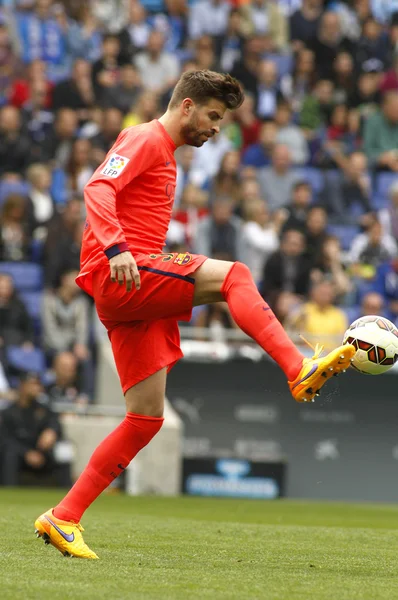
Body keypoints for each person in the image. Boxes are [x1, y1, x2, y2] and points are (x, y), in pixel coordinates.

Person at [34, 70, 355, 559]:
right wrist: (116, 247)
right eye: (212, 115)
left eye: (221, 120)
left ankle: (64, 517)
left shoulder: (166, 155)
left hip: (129, 286)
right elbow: (97, 189)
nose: (215, 128)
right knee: (235, 276)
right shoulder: (143, 138)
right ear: (186, 106)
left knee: (145, 419)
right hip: (122, 271)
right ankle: (297, 367)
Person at [0, 371, 71, 487]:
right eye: (33, 384)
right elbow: (5, 439)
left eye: (38, 384)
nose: (37, 388)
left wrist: (52, 430)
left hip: (42, 453)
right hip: (21, 455)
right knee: (9, 454)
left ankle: (68, 495)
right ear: (22, 386)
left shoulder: (43, 410)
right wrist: (26, 453)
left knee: (64, 450)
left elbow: (55, 422)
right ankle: (9, 492)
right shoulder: (9, 412)